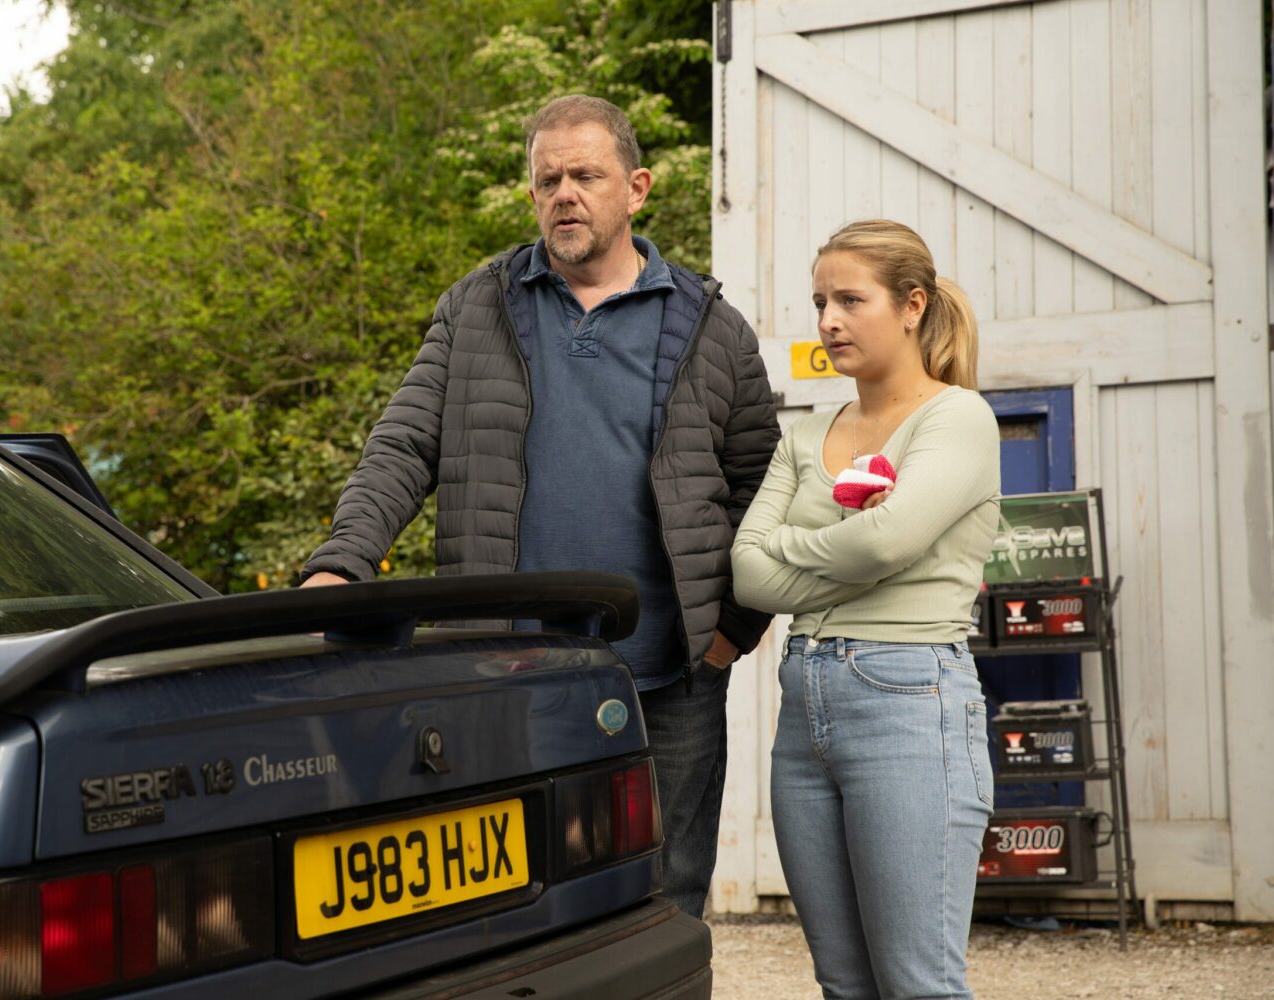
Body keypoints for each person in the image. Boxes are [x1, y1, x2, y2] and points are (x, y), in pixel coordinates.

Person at [300, 94, 779, 919]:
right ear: (531, 196)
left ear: (636, 188)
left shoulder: (712, 328)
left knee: (663, 904)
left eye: (585, 176)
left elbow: (764, 488)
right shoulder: (476, 308)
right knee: (505, 909)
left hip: (669, 683)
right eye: (548, 180)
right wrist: (341, 564)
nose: (565, 194)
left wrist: (731, 630)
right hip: (501, 676)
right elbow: (404, 446)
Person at [731, 219, 1000, 998]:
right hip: (804, 709)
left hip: (908, 701)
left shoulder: (956, 418)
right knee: (845, 985)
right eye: (821, 301)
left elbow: (886, 543)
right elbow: (747, 576)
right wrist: (864, 548)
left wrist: (807, 545)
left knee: (918, 985)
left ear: (912, 305)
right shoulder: (805, 434)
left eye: (851, 300)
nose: (828, 320)